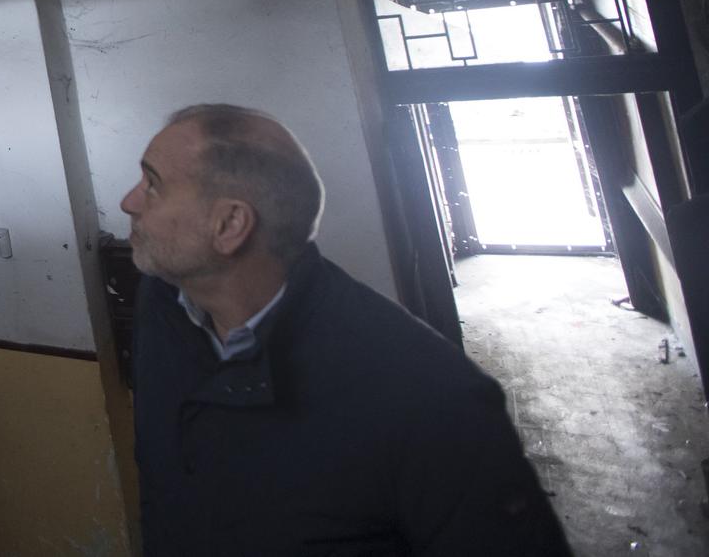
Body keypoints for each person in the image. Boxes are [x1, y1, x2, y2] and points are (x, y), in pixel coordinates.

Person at [120, 103, 570, 556]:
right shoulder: (164, 307)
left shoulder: (434, 398)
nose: (128, 202)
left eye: (152, 185)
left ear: (230, 225)